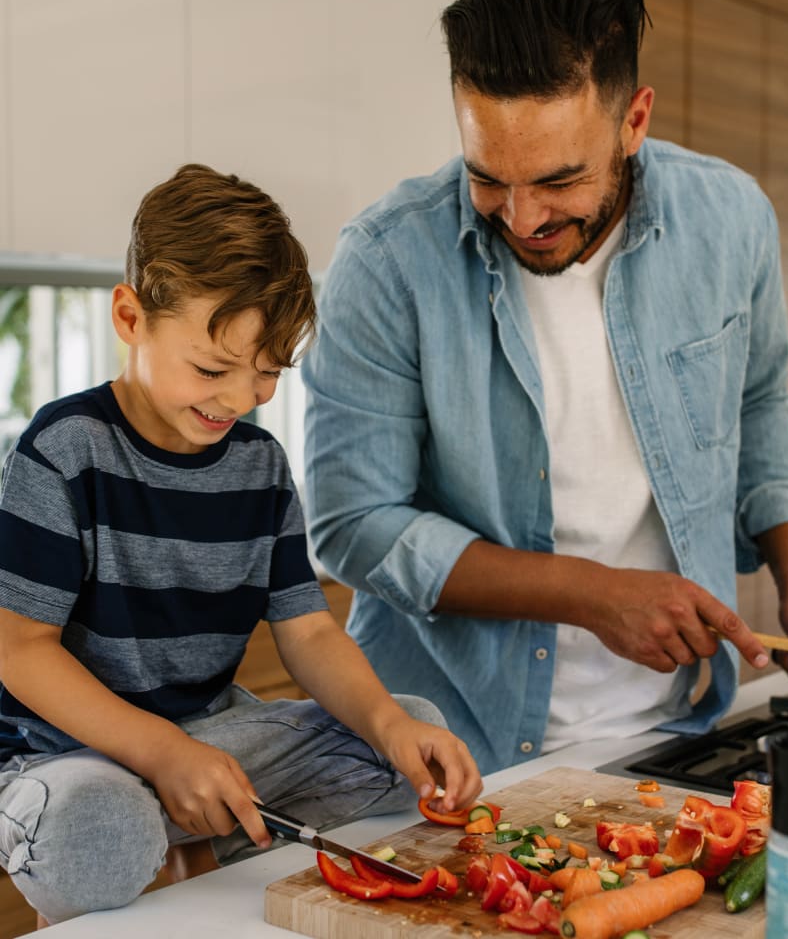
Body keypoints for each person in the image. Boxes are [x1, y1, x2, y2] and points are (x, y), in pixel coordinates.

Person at [301, 0, 788, 776]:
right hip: (444, 746)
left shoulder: (732, 218)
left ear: (634, 121)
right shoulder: (386, 262)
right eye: (488, 177)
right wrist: (591, 594)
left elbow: (758, 399)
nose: (522, 218)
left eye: (559, 179)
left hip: (675, 729)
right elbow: (352, 527)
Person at [0, 164, 481, 925]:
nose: (239, 398)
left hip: (211, 736)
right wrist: (161, 754)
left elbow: (311, 630)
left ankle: (189, 834)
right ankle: (167, 837)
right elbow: (18, 649)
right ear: (130, 319)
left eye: (266, 373)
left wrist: (391, 725)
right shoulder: (63, 450)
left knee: (408, 738)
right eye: (212, 368)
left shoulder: (260, 466)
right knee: (97, 826)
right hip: (66, 754)